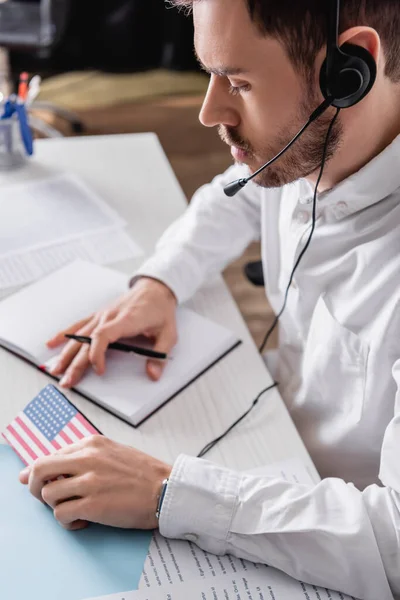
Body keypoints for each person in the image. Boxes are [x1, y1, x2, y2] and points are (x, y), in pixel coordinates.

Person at [18, 1, 400, 598]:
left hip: (329, 529)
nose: (208, 112)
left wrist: (169, 493)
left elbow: (393, 545)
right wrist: (160, 283)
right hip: (270, 438)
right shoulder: (306, 143)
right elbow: (236, 193)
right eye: (210, 73)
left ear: (350, 70)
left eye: (239, 82)